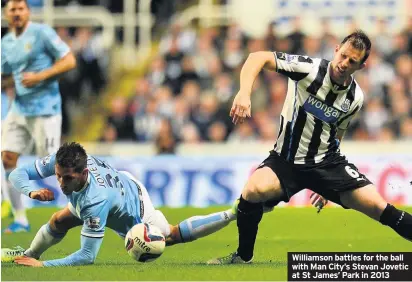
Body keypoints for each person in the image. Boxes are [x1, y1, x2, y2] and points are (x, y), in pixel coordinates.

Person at [207, 30, 412, 265]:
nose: (344, 63)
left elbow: (338, 133)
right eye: (343, 55)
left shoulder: (355, 98)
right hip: (286, 160)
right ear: (336, 49)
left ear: (361, 66)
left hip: (327, 163)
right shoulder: (308, 69)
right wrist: (244, 93)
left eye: (352, 61)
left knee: (379, 207)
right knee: (253, 190)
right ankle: (243, 257)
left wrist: (328, 188)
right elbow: (257, 57)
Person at [1, 142, 326, 266]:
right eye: (57, 176)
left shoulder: (95, 200)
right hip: (111, 187)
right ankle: (26, 253)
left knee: (168, 236)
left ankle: (233, 211)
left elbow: (86, 256)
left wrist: (45, 267)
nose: (59, 183)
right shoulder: (66, 164)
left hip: (134, 204)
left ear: (82, 172)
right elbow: (18, 173)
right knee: (59, 220)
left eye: (66, 179)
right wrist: (31, 191)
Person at [1, 0, 77, 233]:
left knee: (56, 165)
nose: (16, 13)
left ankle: (81, 209)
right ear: (5, 13)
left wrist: (41, 76)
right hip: (20, 109)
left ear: (28, 12)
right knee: (6, 158)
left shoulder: (42, 33)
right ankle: (21, 219)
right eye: (12, 9)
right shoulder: (5, 43)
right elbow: (6, 76)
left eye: (20, 8)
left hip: (46, 111)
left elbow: (69, 60)